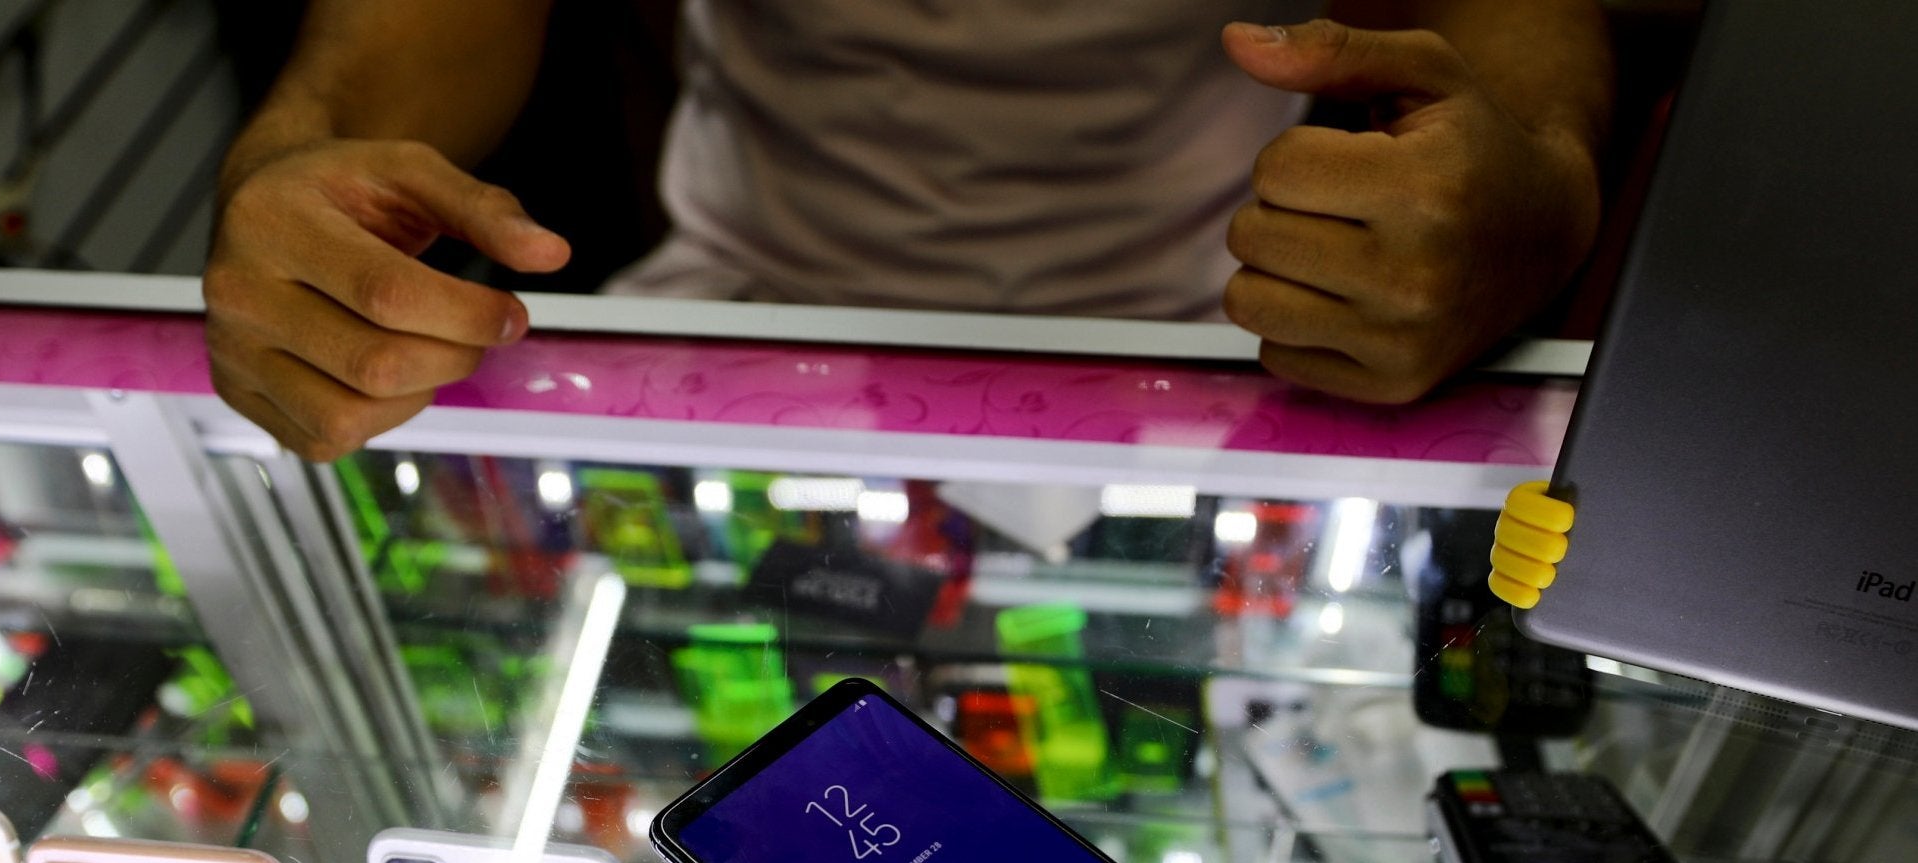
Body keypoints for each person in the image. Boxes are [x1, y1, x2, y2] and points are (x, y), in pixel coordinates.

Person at [204, 2, 1611, 459]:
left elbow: (1527, 25)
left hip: (1249, 331)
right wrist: (297, 162)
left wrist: (1536, 186)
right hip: (737, 319)